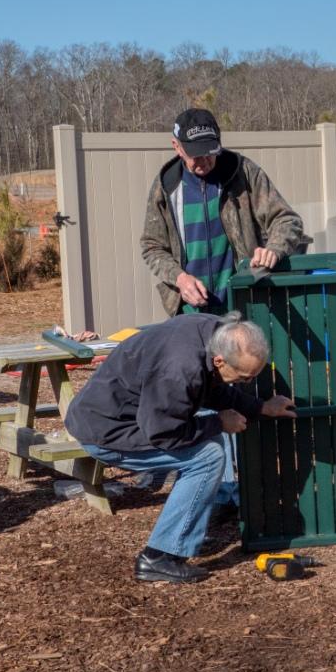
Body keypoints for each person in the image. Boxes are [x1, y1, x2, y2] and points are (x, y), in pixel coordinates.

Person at [64, 313, 296, 583]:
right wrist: (218, 423)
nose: (246, 382)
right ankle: (160, 556)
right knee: (207, 457)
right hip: (107, 431)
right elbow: (163, 433)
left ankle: (210, 508)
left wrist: (261, 408)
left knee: (209, 445)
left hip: (129, 417)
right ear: (220, 360)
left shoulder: (211, 334)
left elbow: (213, 387)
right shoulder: (178, 370)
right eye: (244, 377)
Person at [141, 107, 307, 317]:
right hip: (189, 313)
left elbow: (287, 220)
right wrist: (180, 279)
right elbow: (152, 247)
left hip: (245, 306)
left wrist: (273, 248)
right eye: (196, 154)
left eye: (209, 151)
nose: (204, 160)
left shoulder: (243, 172)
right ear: (177, 147)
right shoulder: (166, 186)